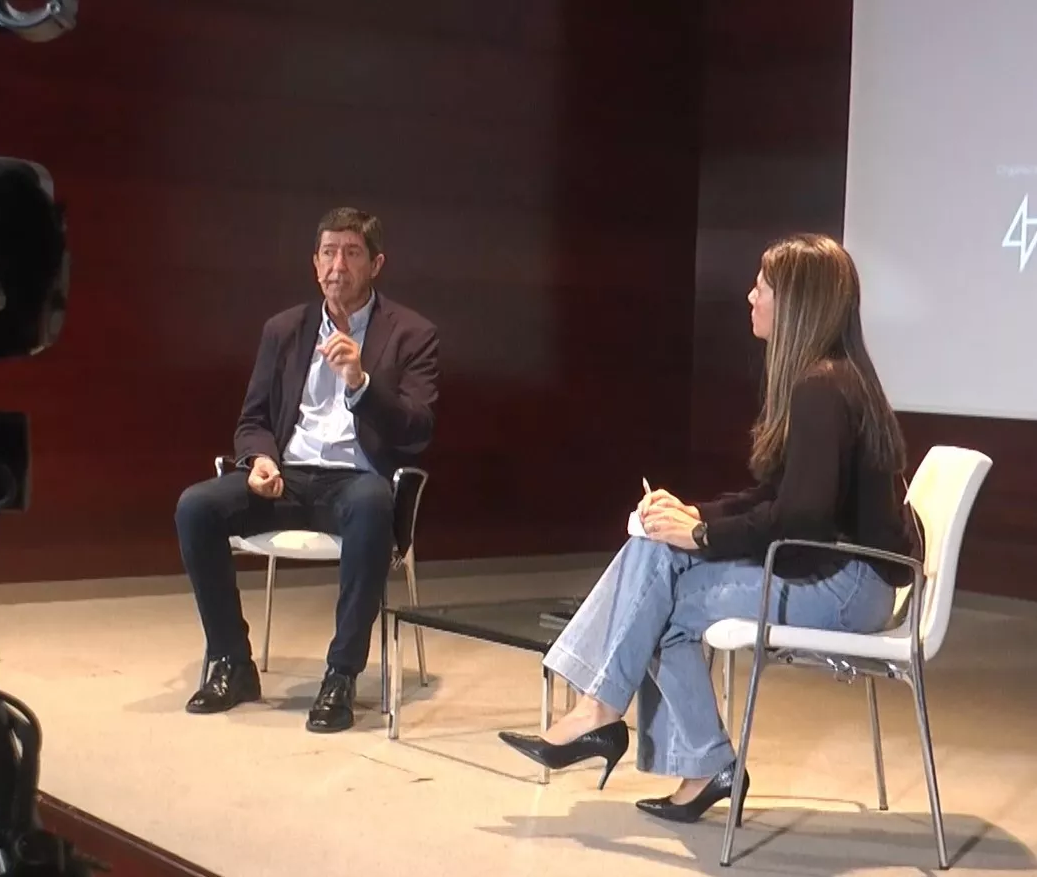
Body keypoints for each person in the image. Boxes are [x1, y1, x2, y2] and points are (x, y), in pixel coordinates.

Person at [499, 233, 917, 822]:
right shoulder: (830, 378)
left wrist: (700, 538)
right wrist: (694, 516)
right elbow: (775, 495)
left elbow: (801, 519)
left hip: (848, 589)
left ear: (796, 303)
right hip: (837, 571)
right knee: (655, 559)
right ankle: (652, 740)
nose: (750, 297)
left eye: (763, 288)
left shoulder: (823, 388)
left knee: (658, 599)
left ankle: (619, 721)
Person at [174, 207, 440, 733]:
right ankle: (232, 661)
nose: (337, 264)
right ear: (314, 263)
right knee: (196, 507)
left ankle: (340, 675)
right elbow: (252, 419)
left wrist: (361, 381)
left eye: (351, 252)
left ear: (376, 263)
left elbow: (417, 428)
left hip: (357, 480)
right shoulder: (284, 329)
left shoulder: (412, 334)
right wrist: (261, 459)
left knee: (370, 508)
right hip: (288, 476)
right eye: (327, 252)